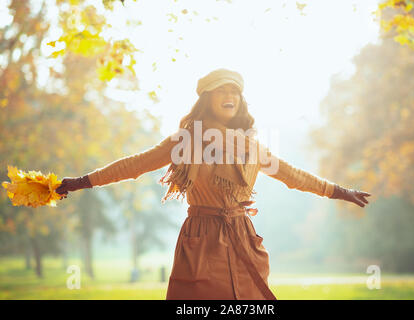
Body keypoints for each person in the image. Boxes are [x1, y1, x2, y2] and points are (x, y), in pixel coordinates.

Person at [56, 68, 371, 300]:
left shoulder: (251, 147)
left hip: (243, 237)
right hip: (201, 239)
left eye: (235, 91)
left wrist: (340, 191)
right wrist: (80, 182)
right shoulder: (184, 141)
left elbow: (295, 177)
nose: (230, 96)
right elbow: (133, 165)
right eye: (222, 90)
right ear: (207, 98)